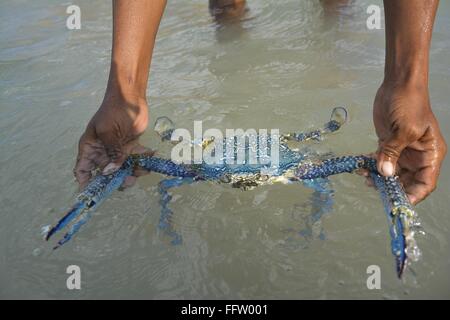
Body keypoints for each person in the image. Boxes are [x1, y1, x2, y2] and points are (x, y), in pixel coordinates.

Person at [74, 0, 446, 205]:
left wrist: (408, 82)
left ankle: (331, 30)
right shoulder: (295, 166)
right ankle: (232, 24)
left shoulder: (197, 164)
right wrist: (124, 96)